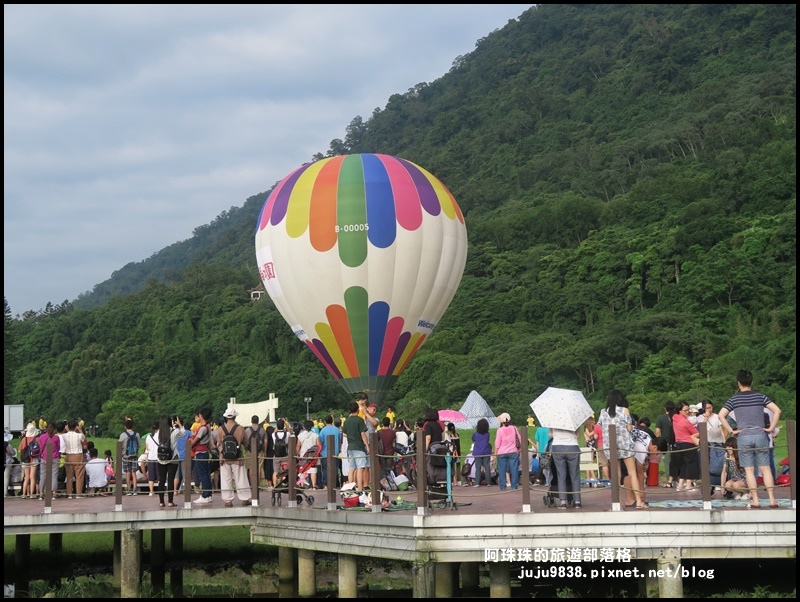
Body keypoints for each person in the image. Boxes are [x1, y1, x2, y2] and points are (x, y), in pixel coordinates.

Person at [719, 370, 781, 509]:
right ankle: (772, 500)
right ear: (752, 382)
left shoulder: (734, 399)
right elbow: (777, 410)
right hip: (760, 434)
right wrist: (771, 428)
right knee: (765, 469)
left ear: (738, 383)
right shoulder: (760, 396)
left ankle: (756, 500)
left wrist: (731, 431)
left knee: (749, 470)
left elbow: (721, 415)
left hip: (744, 436)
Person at [598, 390, 645, 509]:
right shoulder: (624, 410)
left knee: (616, 474)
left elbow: (600, 425)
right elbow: (629, 428)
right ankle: (639, 501)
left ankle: (617, 503)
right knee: (632, 473)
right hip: (625, 444)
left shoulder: (603, 412)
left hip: (610, 446)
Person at [215, 408, 252, 507]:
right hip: (237, 457)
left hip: (224, 457)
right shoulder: (240, 428)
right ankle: (245, 499)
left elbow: (219, 443)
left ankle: (228, 500)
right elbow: (245, 442)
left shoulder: (220, 429)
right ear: (235, 416)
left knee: (226, 479)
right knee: (240, 478)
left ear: (226, 417)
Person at [672, 401, 700, 491]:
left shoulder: (675, 418)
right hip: (688, 443)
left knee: (683, 464)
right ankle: (689, 485)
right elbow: (695, 432)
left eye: (688, 410)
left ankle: (680, 485)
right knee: (691, 464)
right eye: (685, 410)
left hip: (679, 444)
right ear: (680, 410)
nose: (687, 412)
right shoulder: (685, 421)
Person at [343, 401, 369, 491]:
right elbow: (363, 434)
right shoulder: (359, 420)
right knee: (360, 468)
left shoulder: (347, 421)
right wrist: (367, 445)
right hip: (359, 447)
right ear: (358, 409)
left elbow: (344, 434)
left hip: (350, 447)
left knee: (352, 468)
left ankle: (350, 487)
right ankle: (360, 488)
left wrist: (351, 436)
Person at [190, 407, 214, 505]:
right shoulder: (208, 427)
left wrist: (190, 443)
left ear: (201, 416)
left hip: (200, 453)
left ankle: (204, 495)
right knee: (206, 474)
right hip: (205, 452)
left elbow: (195, 441)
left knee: (202, 474)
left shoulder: (203, 428)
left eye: (199, 415)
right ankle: (208, 495)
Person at [493, 413, 522, 491]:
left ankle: (503, 486)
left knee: (502, 470)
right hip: (513, 451)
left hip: (502, 452)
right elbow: (520, 438)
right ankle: (514, 486)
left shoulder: (499, 430)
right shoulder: (514, 428)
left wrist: (495, 453)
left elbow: (497, 442)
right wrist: (520, 448)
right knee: (514, 469)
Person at [61, 420, 86, 499]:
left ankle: (69, 494)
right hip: (78, 455)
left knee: (69, 476)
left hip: (69, 455)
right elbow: (84, 437)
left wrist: (67, 429)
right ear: (76, 427)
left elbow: (64, 432)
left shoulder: (64, 436)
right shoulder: (79, 435)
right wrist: (80, 429)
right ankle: (78, 493)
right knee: (79, 475)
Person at [655, 400, 676, 488]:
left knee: (667, 462)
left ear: (665, 408)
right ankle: (677, 479)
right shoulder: (676, 417)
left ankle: (669, 480)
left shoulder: (661, 418)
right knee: (676, 462)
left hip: (665, 443)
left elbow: (657, 431)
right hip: (676, 442)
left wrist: (658, 442)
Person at [37, 423, 61, 499]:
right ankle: (54, 492)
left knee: (43, 475)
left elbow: (40, 447)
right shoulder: (56, 437)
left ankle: (41, 493)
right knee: (54, 475)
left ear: (46, 428)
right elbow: (58, 447)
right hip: (54, 457)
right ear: (54, 429)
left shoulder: (41, 437)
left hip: (44, 458)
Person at [119, 419, 142, 496]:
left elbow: (119, 446)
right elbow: (139, 445)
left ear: (125, 426)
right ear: (132, 426)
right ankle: (135, 490)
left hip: (126, 456)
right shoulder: (137, 434)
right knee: (134, 473)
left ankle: (129, 490)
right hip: (134, 456)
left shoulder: (123, 435)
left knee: (128, 473)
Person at [296, 420, 321, 489]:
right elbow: (319, 445)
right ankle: (313, 486)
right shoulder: (315, 435)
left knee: (303, 470)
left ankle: (302, 485)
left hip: (303, 455)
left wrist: (297, 454)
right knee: (313, 471)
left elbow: (298, 446)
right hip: (313, 455)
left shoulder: (300, 435)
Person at [18, 423, 40, 499]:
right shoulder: (36, 439)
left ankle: (24, 494)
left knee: (26, 477)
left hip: (25, 460)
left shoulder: (24, 439)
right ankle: (31, 494)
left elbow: (20, 450)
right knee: (32, 477)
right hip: (33, 459)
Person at [319, 414, 341, 488]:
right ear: (332, 421)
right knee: (334, 468)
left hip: (325, 453)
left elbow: (320, 442)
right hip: (335, 452)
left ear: (325, 421)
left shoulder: (323, 430)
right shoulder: (337, 430)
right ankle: (333, 483)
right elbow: (340, 441)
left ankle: (326, 483)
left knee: (325, 469)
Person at [471, 418, 492, 487]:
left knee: (478, 467)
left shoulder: (475, 434)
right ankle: (489, 482)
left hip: (477, 452)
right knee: (487, 467)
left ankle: (477, 482)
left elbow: (473, 439)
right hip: (486, 451)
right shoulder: (487, 434)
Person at [271, 419, 290, 489]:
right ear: (283, 426)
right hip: (285, 455)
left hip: (276, 456)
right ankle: (284, 485)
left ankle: (275, 486)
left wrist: (278, 425)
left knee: (275, 471)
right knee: (285, 471)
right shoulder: (287, 434)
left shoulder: (273, 435)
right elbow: (289, 431)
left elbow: (275, 431)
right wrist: (285, 423)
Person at [143, 422, 159, 496]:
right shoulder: (160, 435)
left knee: (151, 477)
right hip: (159, 458)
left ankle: (151, 491)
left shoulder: (149, 436)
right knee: (160, 476)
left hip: (150, 458)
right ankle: (160, 490)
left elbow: (147, 448)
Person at [4, 431, 16, 497]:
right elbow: (13, 453)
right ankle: (5, 492)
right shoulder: (7, 445)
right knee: (6, 478)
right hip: (7, 462)